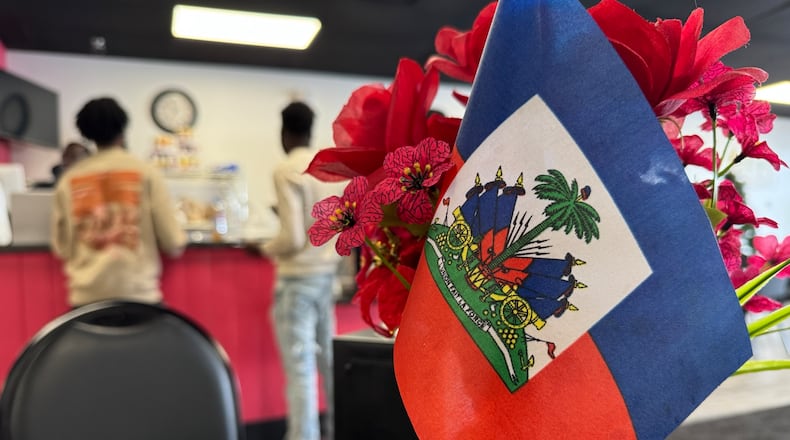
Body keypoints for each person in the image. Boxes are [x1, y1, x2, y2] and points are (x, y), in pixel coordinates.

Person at [259, 101, 343, 440]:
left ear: (284, 132)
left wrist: (263, 247)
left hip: (296, 283)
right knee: (330, 369)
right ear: (310, 129)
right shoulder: (329, 168)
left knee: (301, 375)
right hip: (327, 280)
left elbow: (292, 238)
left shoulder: (286, 170)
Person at [51, 97, 187, 307]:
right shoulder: (147, 173)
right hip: (140, 299)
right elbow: (173, 242)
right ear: (123, 128)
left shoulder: (68, 180)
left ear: (86, 133)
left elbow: (62, 248)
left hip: (85, 304)